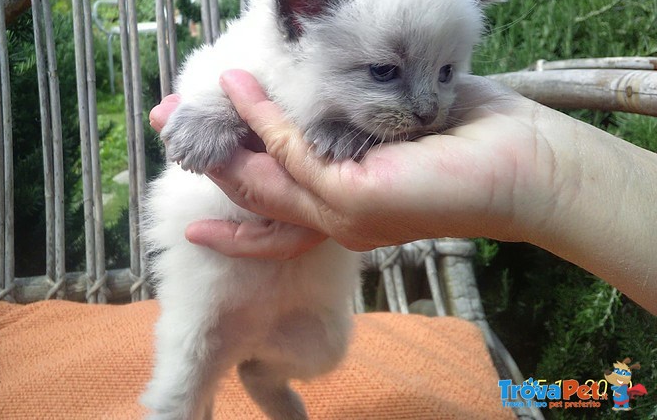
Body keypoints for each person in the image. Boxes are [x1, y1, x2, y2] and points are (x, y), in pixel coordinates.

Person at [149, 69, 657, 315]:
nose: (427, 108)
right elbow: (236, 69)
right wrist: (215, 108)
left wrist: (547, 172)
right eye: (386, 72)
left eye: (445, 74)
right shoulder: (279, 50)